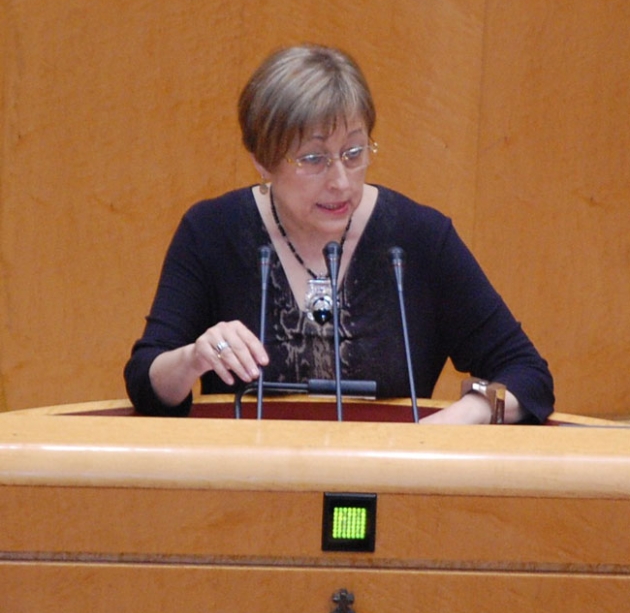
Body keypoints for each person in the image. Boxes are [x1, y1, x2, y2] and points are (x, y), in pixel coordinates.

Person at [124, 44, 554, 423]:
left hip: (390, 489)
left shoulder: (420, 237)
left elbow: (527, 374)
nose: (341, 181)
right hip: (246, 496)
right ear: (262, 161)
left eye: (354, 152)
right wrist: (194, 358)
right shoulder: (211, 232)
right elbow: (146, 383)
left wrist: (461, 417)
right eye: (313, 158)